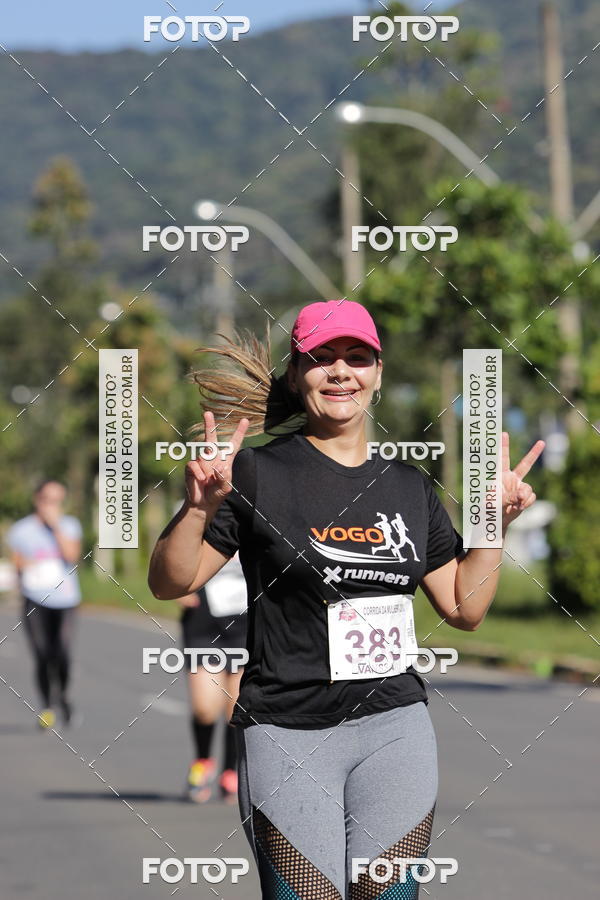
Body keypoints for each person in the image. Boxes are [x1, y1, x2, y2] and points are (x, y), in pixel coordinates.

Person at [148, 300, 544, 899]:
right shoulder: (254, 474)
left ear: (378, 373)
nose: (341, 372)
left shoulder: (409, 486)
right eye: (322, 359)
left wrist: (492, 524)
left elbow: (465, 608)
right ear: (296, 375)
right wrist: (200, 507)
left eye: (357, 358)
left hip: (395, 728)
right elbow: (170, 582)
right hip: (287, 729)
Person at [7, 479, 82, 729]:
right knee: (41, 654)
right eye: (46, 500)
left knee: (61, 652)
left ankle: (63, 696)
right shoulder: (21, 530)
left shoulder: (70, 526)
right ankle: (47, 706)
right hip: (35, 599)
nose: (51, 506)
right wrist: (28, 566)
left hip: (65, 600)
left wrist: (55, 527)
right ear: (37, 500)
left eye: (57, 501)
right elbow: (16, 563)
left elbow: (72, 555)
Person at [176, 551, 247, 803]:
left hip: (245, 626)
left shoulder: (259, 518)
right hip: (204, 626)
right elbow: (173, 552)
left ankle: (230, 770)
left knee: (235, 709)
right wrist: (176, 583)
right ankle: (203, 760)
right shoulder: (201, 515)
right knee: (205, 708)